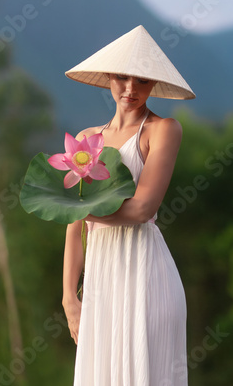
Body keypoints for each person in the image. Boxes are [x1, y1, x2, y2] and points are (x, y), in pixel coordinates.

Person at [62, 25, 195, 386]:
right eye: (122, 77)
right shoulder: (87, 139)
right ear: (109, 77)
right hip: (101, 280)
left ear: (154, 85)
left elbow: (140, 209)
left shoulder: (163, 130)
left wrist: (74, 207)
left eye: (143, 80)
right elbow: (74, 231)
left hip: (146, 273)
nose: (131, 89)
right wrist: (68, 299)